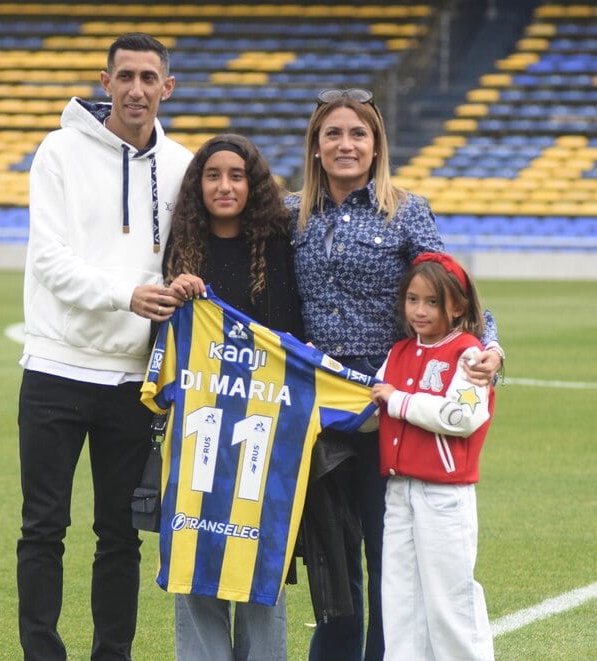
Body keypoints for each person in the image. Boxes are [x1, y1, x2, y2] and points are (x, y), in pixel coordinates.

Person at [287, 87, 504, 661]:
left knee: (390, 553)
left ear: (377, 145)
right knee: (333, 556)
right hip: (317, 403)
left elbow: (450, 287)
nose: (346, 144)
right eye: (333, 133)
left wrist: (491, 348)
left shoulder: (406, 210)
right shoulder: (289, 214)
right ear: (315, 146)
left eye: (358, 133)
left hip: (388, 398)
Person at [15, 33, 194, 661]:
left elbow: (191, 257)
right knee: (43, 527)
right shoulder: (59, 151)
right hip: (55, 369)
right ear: (105, 82)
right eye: (125, 77)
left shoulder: (182, 165)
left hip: (133, 380)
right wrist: (127, 295)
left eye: (149, 78)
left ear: (167, 87)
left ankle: (111, 655)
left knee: (121, 534)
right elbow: (48, 260)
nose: (136, 90)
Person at [160, 133, 302, 661]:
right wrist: (176, 296)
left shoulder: (276, 246)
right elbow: (163, 343)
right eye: (213, 175)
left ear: (253, 184)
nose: (224, 186)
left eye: (236, 176)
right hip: (197, 429)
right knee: (196, 552)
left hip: (263, 432)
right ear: (197, 186)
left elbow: (289, 338)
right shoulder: (182, 248)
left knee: (260, 562)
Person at [369, 252, 495, 660]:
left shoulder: (469, 353)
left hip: (444, 495)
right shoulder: (398, 352)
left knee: (450, 602)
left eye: (432, 302)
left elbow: (463, 416)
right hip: (398, 491)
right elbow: (373, 409)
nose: (419, 310)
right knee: (400, 601)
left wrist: (398, 401)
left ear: (457, 306)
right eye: (412, 299)